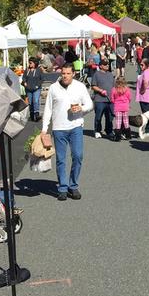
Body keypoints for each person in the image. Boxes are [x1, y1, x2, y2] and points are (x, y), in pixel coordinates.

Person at [41, 63, 93, 201]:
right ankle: (63, 188)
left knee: (77, 156)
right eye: (63, 73)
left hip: (75, 126)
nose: (65, 76)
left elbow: (89, 104)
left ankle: (73, 185)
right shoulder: (53, 88)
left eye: (68, 73)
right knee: (61, 160)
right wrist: (44, 129)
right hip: (59, 128)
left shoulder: (79, 87)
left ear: (73, 74)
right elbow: (48, 109)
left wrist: (81, 108)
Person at [89, 58, 115, 139]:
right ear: (100, 66)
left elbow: (114, 86)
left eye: (107, 64)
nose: (107, 65)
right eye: (105, 64)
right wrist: (100, 90)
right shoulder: (96, 74)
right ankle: (97, 130)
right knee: (98, 116)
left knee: (110, 117)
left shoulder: (110, 74)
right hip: (99, 100)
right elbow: (93, 86)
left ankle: (109, 131)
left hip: (110, 100)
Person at [137, 56, 149, 142]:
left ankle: (148, 129)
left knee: (145, 114)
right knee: (148, 112)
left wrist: (142, 90)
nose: (140, 66)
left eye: (142, 65)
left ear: (146, 65)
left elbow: (145, 83)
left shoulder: (146, 72)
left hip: (145, 96)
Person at [111, 75, 134, 140]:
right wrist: (127, 103)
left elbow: (112, 99)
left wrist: (115, 101)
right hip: (125, 107)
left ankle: (117, 137)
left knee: (118, 122)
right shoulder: (127, 89)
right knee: (126, 121)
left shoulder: (114, 89)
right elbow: (129, 98)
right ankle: (128, 135)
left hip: (117, 107)